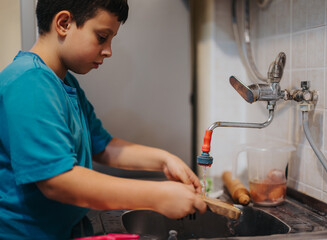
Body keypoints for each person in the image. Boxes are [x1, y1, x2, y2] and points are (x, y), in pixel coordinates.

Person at [0, 0, 207, 239]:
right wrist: (156, 195)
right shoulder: (30, 82)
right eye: (101, 37)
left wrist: (164, 160)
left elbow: (104, 147)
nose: (108, 50)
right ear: (64, 23)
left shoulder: (65, 84)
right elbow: (57, 180)